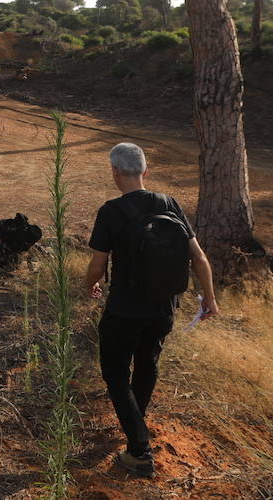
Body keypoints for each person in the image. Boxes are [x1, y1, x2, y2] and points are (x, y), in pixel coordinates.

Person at [83, 142, 218, 478]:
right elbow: (199, 257)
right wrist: (210, 299)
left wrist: (89, 284)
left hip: (124, 310)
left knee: (115, 373)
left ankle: (140, 451)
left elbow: (98, 263)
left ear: (115, 171)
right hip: (163, 308)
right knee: (148, 364)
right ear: (145, 171)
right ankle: (135, 426)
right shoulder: (169, 204)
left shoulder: (111, 211)